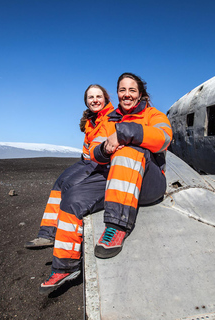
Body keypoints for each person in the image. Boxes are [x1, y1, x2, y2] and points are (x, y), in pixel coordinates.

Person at [39, 72, 172, 294]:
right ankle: (65, 265)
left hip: (148, 184)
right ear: (118, 93)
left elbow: (164, 138)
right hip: (116, 178)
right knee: (72, 198)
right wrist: (103, 149)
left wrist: (125, 134)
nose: (127, 94)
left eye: (132, 90)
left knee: (129, 149)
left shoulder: (153, 114)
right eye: (122, 90)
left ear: (140, 94)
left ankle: (117, 226)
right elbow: (94, 150)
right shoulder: (110, 119)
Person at [25, 84, 114, 248]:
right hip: (87, 161)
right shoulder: (91, 120)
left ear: (106, 99)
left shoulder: (110, 117)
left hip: (101, 162)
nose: (95, 100)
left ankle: (67, 235)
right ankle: (46, 234)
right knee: (59, 183)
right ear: (86, 102)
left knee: (69, 186)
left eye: (98, 96)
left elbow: (101, 142)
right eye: (91, 97)